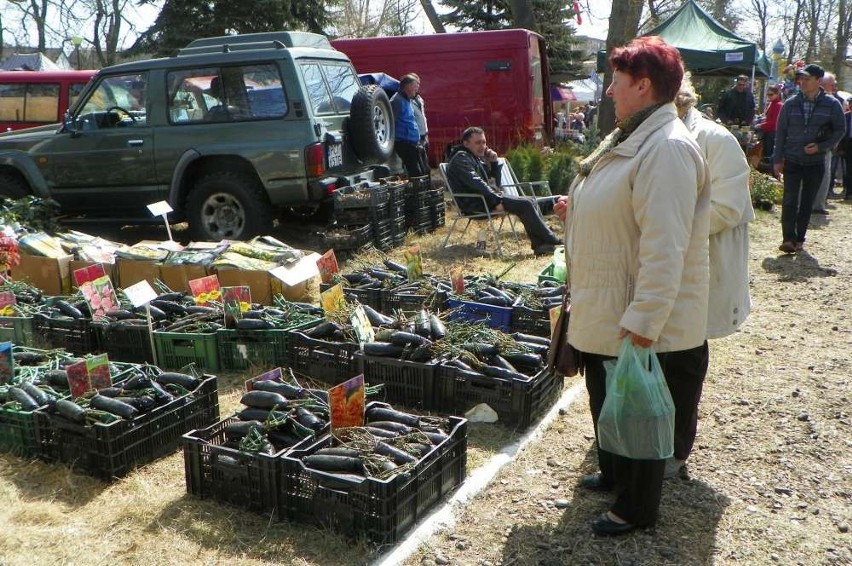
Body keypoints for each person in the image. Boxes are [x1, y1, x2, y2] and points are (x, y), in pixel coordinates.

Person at [553, 36, 710, 536]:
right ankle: (617, 474)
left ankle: (637, 508)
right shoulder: (630, 136)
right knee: (607, 396)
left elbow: (666, 247)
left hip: (636, 313)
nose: (607, 92)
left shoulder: (665, 149)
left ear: (643, 86)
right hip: (608, 301)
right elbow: (618, 206)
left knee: (639, 410)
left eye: (616, 82)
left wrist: (644, 320)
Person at [671, 74, 754, 479]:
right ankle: (637, 442)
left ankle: (674, 449)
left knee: (684, 359)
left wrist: (661, 226)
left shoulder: (715, 141)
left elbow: (727, 208)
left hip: (695, 269)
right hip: (655, 267)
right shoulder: (644, 137)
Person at [447, 126, 560, 255]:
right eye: (478, 143)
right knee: (526, 204)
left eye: (484, 142)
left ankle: (541, 245)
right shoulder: (461, 159)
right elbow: (477, 183)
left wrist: (494, 162)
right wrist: (496, 201)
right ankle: (552, 240)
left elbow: (494, 183)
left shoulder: (474, 158)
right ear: (466, 144)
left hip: (484, 200)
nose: (482, 146)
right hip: (475, 204)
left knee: (529, 201)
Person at [773, 64, 845, 254]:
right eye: (801, 79)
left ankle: (799, 238)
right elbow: (780, 132)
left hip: (816, 162)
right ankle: (788, 238)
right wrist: (777, 159)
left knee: (807, 202)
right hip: (792, 159)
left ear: (818, 81)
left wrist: (821, 147)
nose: (802, 82)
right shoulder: (790, 103)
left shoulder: (832, 104)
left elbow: (840, 130)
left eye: (807, 79)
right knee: (789, 200)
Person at [812, 72, 845, 213]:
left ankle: (818, 204)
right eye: (832, 84)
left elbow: (839, 127)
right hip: (811, 143)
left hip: (825, 144)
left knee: (825, 175)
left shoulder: (834, 102)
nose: (834, 87)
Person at [390, 74, 428, 178]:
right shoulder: (397, 100)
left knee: (424, 171)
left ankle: (421, 191)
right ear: (408, 86)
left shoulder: (407, 100)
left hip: (413, 143)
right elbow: (391, 122)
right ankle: (416, 193)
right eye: (416, 87)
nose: (417, 90)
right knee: (415, 173)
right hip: (404, 143)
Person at [756, 85, 783, 164]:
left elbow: (775, 122)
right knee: (766, 152)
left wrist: (761, 125)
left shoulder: (778, 105)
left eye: (771, 94)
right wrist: (761, 120)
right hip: (767, 132)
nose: (769, 96)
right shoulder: (771, 104)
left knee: (769, 154)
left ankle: (770, 170)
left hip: (772, 133)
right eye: (768, 94)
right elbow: (768, 118)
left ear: (777, 94)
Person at [410, 73, 430, 174]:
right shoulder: (406, 100)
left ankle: (428, 180)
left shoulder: (419, 98)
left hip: (424, 134)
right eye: (416, 83)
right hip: (416, 136)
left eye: (418, 83)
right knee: (419, 163)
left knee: (426, 163)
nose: (418, 86)